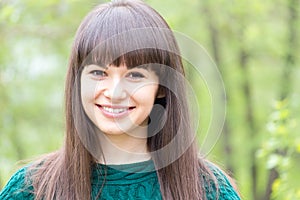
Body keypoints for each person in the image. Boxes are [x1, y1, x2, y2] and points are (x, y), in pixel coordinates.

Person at [0, 0, 240, 199]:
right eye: (98, 73)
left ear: (162, 87)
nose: (114, 92)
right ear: (77, 81)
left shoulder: (210, 190)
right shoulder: (29, 190)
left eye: (135, 75)